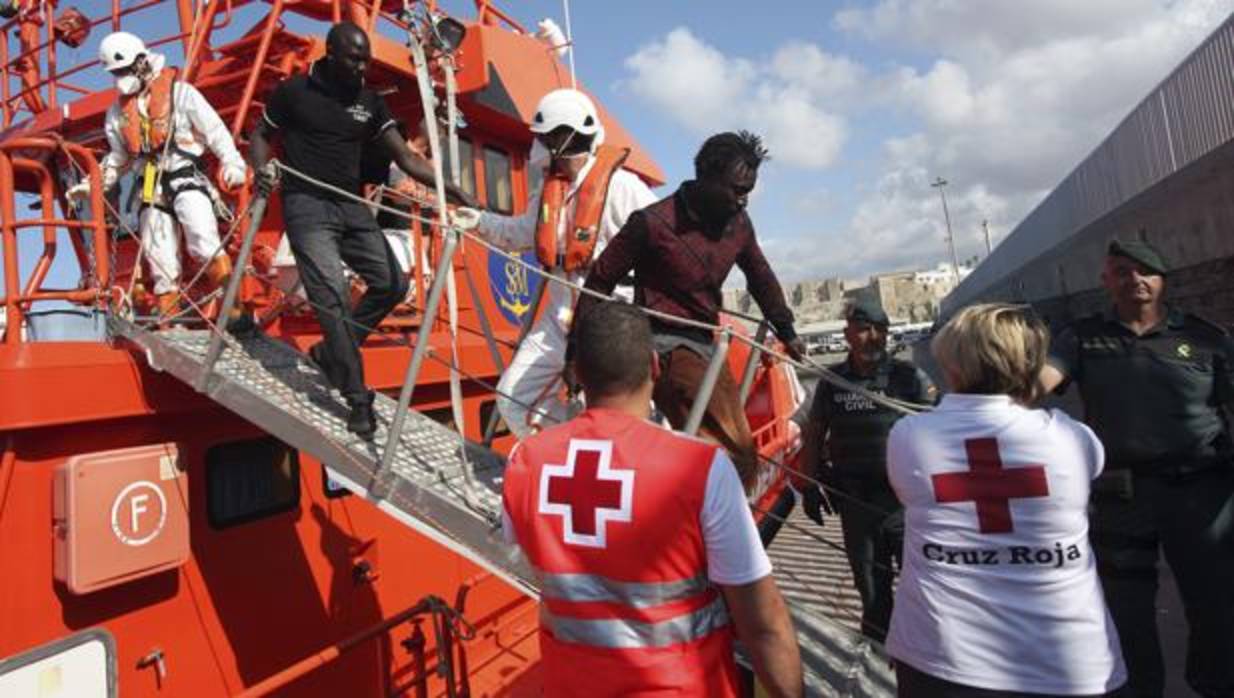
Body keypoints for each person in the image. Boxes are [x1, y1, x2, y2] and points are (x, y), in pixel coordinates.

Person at [502, 301, 802, 697]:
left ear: (576, 373)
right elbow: (763, 625)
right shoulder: (700, 467)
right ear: (654, 367)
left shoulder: (524, 462)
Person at [886, 303, 1126, 697]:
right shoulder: (1072, 439)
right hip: (1070, 663)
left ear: (953, 366)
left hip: (943, 659)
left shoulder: (908, 437)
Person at [248, 21, 474, 437]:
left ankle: (333, 351)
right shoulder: (294, 93)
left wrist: (448, 187)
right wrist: (262, 168)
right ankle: (356, 397)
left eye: (366, 60)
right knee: (331, 293)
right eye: (354, 59)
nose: (362, 68)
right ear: (331, 55)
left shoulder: (370, 102)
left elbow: (405, 158)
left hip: (350, 205)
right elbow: (260, 135)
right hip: (306, 204)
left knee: (391, 283)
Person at [1040, 239, 1234, 698]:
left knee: (1215, 605)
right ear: (1106, 280)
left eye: (1146, 271)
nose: (1135, 280)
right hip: (1120, 496)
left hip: (1201, 492)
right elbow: (1041, 382)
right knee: (1127, 610)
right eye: (1123, 271)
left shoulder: (1205, 338)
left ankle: (1215, 685)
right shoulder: (1082, 337)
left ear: (1163, 279)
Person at [572, 131, 806, 490]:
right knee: (733, 453)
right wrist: (574, 354)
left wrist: (787, 333)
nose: (743, 201)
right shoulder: (651, 223)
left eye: (748, 191)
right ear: (706, 177)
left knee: (741, 454)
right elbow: (600, 281)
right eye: (737, 190)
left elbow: (761, 278)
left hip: (704, 341)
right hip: (660, 341)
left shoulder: (737, 224)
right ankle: (707, 520)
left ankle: (704, 512)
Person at [451, 88, 657, 438]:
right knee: (513, 397)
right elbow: (519, 233)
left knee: (627, 419)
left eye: (549, 139)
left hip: (610, 324)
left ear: (565, 139)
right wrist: (479, 222)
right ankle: (569, 452)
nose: (544, 147)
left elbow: (660, 240)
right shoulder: (551, 191)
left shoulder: (624, 188)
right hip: (558, 322)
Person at [67, 31, 248, 319]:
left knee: (203, 239)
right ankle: (170, 320)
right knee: (158, 255)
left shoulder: (181, 93)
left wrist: (233, 163)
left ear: (141, 61)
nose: (121, 77)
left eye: (124, 70)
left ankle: (236, 314)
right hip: (149, 186)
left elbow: (215, 133)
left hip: (185, 176)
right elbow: (119, 157)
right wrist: (92, 184)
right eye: (116, 72)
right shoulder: (117, 114)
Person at [797, 297, 936, 643]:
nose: (872, 337)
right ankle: (877, 659)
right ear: (847, 335)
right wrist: (810, 485)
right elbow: (814, 434)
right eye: (863, 329)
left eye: (880, 329)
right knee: (872, 594)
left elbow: (939, 430)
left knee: (922, 589)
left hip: (905, 505)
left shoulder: (910, 377)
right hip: (856, 505)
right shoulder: (833, 382)